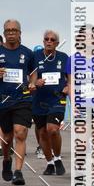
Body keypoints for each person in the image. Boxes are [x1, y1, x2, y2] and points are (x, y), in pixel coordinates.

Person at [0, 19, 36, 185]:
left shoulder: (28, 53)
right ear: (4, 33)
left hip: (23, 98)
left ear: (20, 33)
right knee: (7, 138)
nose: (11, 33)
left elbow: (34, 73)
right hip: (3, 100)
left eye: (14, 30)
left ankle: (18, 172)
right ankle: (7, 159)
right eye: (8, 30)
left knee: (20, 132)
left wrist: (32, 83)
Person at [31, 30, 69, 176]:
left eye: (52, 40)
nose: (49, 41)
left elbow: (71, 78)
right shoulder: (35, 57)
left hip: (57, 99)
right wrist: (35, 82)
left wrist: (68, 86)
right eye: (46, 39)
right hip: (39, 100)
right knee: (42, 133)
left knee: (52, 129)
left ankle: (57, 158)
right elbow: (30, 77)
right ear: (43, 41)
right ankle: (50, 163)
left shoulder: (64, 58)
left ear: (57, 43)